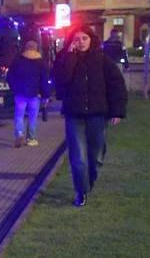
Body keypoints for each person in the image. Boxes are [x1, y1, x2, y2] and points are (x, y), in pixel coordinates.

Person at [52, 27, 127, 207]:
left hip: (97, 115)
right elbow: (60, 80)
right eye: (76, 39)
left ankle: (89, 181)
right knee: (78, 158)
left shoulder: (102, 61)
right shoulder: (64, 59)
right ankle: (81, 191)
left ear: (91, 40)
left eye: (84, 38)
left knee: (97, 155)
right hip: (74, 115)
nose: (81, 42)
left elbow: (117, 85)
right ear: (71, 42)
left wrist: (117, 111)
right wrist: (69, 57)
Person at [6, 40, 50, 147]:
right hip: (35, 94)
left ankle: (19, 133)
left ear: (25, 48)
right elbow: (44, 80)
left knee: (19, 115)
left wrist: (14, 88)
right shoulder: (41, 62)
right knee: (32, 117)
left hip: (20, 93)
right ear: (36, 48)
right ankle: (31, 138)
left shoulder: (17, 61)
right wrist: (45, 95)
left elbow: (9, 77)